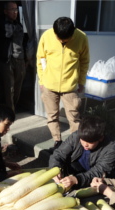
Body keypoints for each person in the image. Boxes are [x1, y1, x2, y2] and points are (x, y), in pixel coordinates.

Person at [37, 17, 90, 151]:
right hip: (49, 85)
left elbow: (84, 61)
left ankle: (75, 143)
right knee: (52, 116)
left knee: (74, 117)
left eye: (65, 40)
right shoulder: (47, 36)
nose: (61, 41)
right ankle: (57, 141)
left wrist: (81, 81)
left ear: (72, 34)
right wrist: (42, 80)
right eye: (59, 38)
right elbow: (40, 59)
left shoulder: (81, 37)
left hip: (70, 86)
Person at [49, 115, 115, 190]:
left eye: (90, 142)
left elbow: (98, 171)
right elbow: (58, 154)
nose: (85, 144)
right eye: (82, 140)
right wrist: (55, 169)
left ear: (100, 138)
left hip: (94, 181)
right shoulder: (75, 136)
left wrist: (77, 179)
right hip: (75, 170)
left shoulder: (111, 148)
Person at [0, 1, 26, 112]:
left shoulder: (19, 24)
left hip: (20, 59)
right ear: (5, 11)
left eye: (16, 9)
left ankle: (12, 108)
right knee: (9, 89)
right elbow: (8, 34)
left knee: (18, 87)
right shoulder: (1, 23)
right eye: (12, 9)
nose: (15, 12)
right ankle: (10, 113)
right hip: (7, 60)